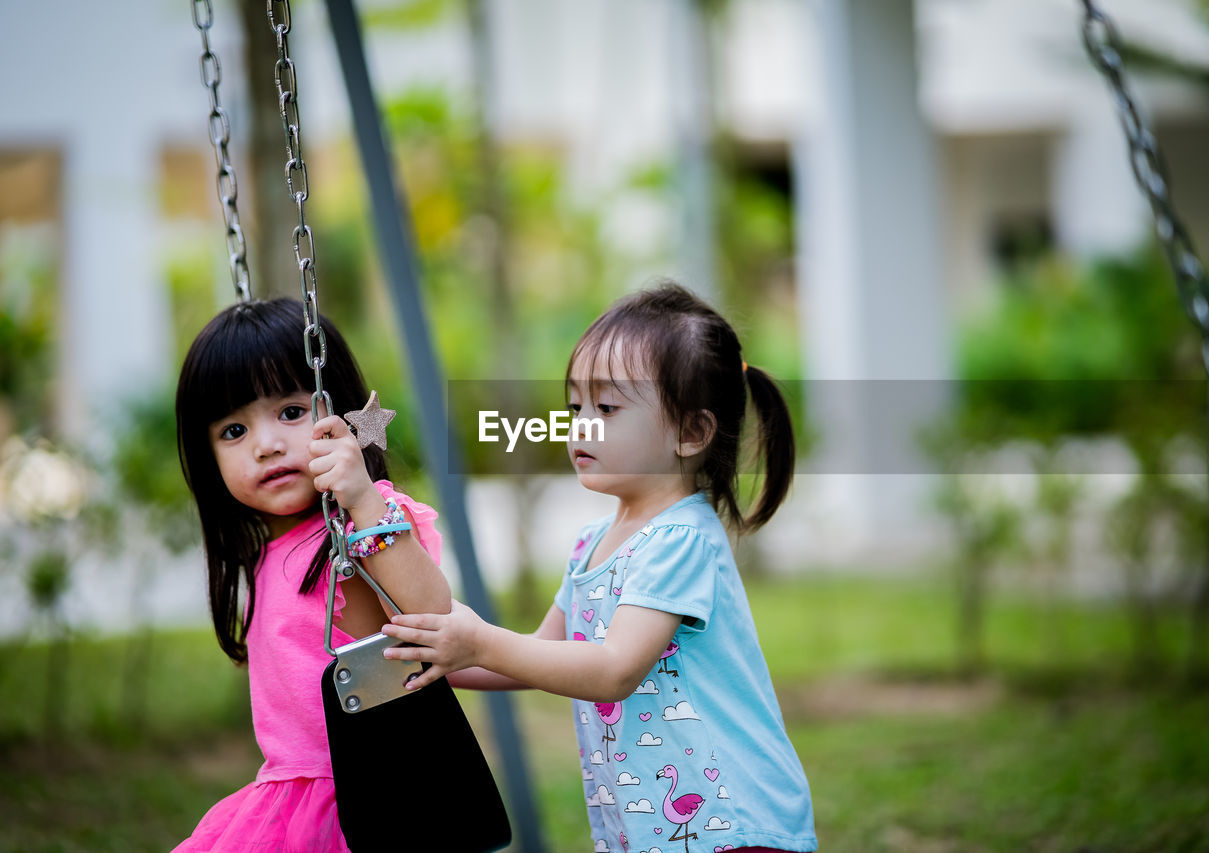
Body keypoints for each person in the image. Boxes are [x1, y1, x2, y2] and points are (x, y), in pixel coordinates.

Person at [383, 283, 818, 853]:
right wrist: (445, 655)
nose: (580, 425)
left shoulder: (681, 539)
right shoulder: (592, 544)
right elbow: (535, 654)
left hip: (730, 821)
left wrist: (481, 643)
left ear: (692, 433)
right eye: (574, 407)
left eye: (607, 408)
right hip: (660, 829)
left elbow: (614, 669)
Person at [172, 298, 451, 852]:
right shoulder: (265, 553)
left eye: (292, 412)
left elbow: (432, 612)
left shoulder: (358, 527)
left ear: (344, 420)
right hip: (285, 801)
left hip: (364, 801)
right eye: (232, 430)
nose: (266, 444)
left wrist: (364, 501)